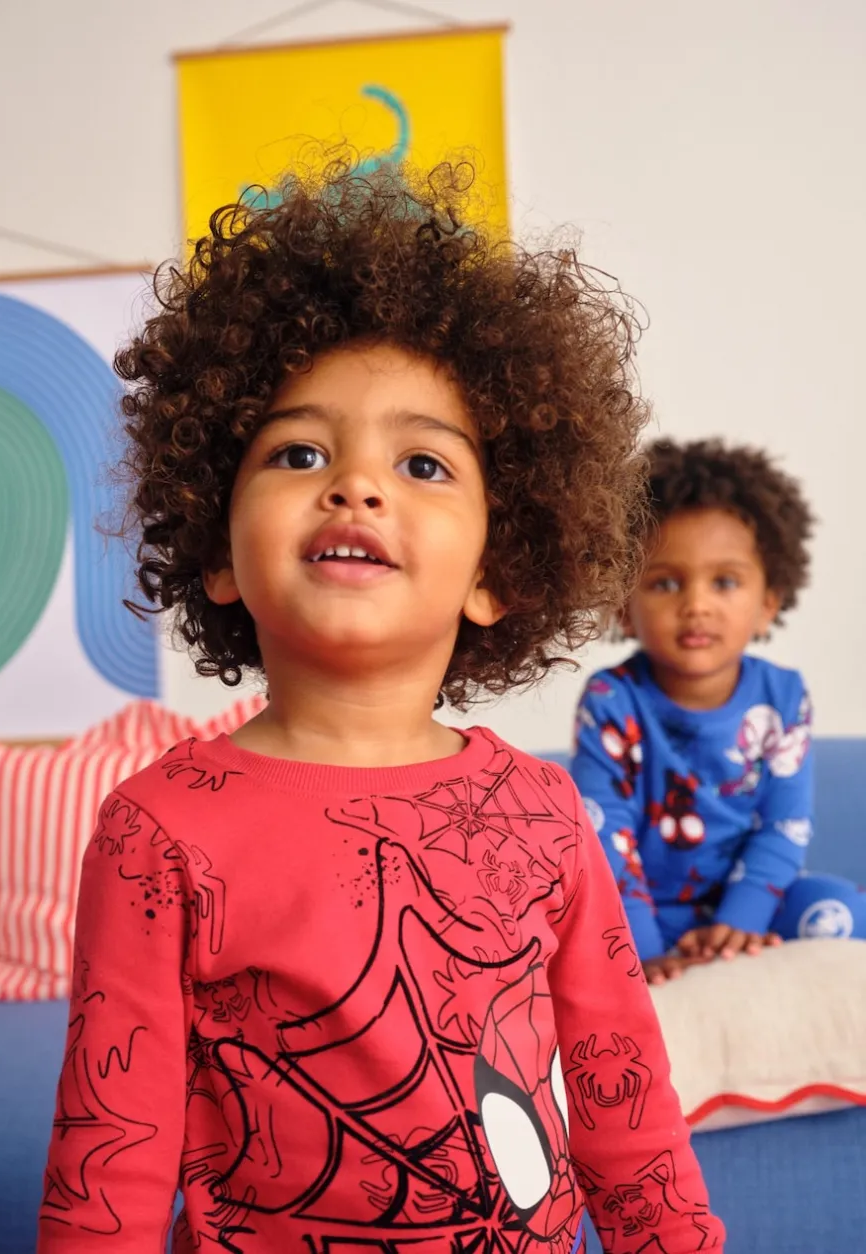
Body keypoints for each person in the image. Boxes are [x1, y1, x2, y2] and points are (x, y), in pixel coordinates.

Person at [37, 162, 724, 1253]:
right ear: (218, 549)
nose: (356, 486)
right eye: (299, 452)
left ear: (497, 569)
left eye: (423, 464)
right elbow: (107, 1166)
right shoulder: (156, 831)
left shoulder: (545, 814)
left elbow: (623, 1106)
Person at [572, 437, 866, 988]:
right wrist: (643, 951)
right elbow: (604, 833)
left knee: (845, 911)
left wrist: (740, 922)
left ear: (768, 604)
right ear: (624, 607)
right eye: (665, 583)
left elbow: (784, 825)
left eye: (725, 582)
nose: (697, 605)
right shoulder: (610, 700)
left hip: (758, 902)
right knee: (551, 936)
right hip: (640, 915)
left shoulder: (783, 697)